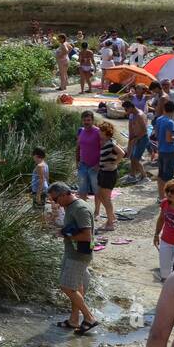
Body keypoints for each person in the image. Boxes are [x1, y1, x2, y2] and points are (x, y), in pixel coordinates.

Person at [48, 182, 99, 335]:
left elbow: (87, 236)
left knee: (67, 287)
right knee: (76, 287)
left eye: (56, 200)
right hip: (73, 252)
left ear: (64, 194)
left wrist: (65, 234)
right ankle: (74, 320)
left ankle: (89, 318)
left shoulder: (80, 208)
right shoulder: (71, 207)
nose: (56, 203)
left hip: (79, 255)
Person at [154, 180, 174, 282]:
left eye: (172, 191)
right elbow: (161, 219)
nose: (169, 194)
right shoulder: (164, 203)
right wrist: (156, 234)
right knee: (164, 271)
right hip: (165, 240)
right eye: (167, 190)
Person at [95, 121, 124, 231]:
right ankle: (111, 217)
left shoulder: (111, 143)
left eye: (100, 131)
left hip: (109, 173)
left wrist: (115, 163)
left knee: (106, 198)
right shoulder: (105, 142)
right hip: (103, 172)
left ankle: (110, 222)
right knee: (100, 195)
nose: (99, 133)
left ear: (106, 132)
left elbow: (121, 153)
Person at [155, 100, 174, 200]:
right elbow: (169, 139)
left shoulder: (159, 119)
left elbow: (157, 135)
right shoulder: (170, 122)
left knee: (161, 174)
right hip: (169, 151)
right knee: (168, 177)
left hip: (161, 150)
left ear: (164, 108)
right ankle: (168, 199)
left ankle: (161, 197)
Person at [75, 110, 102, 205]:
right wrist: (77, 161)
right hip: (82, 165)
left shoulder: (98, 132)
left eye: (88, 120)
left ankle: (97, 212)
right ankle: (84, 211)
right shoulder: (81, 131)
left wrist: (99, 164)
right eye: (84, 120)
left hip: (95, 167)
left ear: (92, 120)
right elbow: (78, 147)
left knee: (96, 190)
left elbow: (104, 148)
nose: (86, 122)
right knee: (82, 189)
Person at [125, 98, 150, 183]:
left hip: (142, 139)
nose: (125, 111)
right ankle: (132, 175)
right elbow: (132, 128)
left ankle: (145, 177)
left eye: (126, 109)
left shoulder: (139, 115)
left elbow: (144, 130)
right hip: (137, 138)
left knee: (136, 159)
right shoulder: (133, 115)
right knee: (132, 157)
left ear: (131, 107)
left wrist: (136, 139)